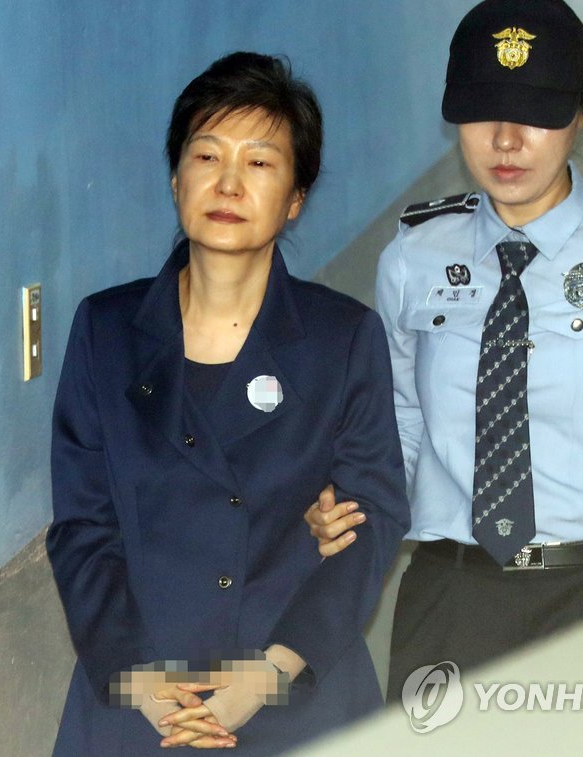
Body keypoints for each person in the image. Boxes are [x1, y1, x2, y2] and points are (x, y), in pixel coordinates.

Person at [305, 0, 583, 701]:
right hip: (453, 602)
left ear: (582, 114)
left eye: (534, 112)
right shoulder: (415, 255)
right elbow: (398, 426)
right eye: (482, 112)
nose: (506, 140)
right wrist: (348, 505)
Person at [48, 51, 409, 754]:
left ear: (296, 196)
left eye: (260, 162)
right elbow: (82, 525)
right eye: (207, 155)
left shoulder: (341, 336)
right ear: (176, 177)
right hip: (140, 700)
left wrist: (273, 672)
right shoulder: (106, 329)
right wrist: (136, 678)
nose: (228, 183)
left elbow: (373, 520)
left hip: (294, 694)